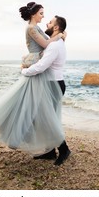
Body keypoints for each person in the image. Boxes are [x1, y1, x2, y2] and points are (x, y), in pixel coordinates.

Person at [0, 2, 67, 164]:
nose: (43, 16)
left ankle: (52, 150)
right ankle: (51, 148)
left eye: (45, 15)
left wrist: (60, 34)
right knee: (34, 111)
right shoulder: (32, 28)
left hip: (39, 71)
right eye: (41, 13)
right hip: (37, 70)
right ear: (34, 14)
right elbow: (47, 44)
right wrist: (60, 35)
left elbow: (48, 43)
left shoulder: (39, 30)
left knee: (40, 113)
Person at [21, 15, 71, 166]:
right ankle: (50, 151)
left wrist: (25, 71)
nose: (47, 24)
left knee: (50, 120)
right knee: (44, 119)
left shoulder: (55, 46)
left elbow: (42, 66)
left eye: (50, 22)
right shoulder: (57, 43)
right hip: (52, 84)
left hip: (52, 85)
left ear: (55, 27)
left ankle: (64, 150)